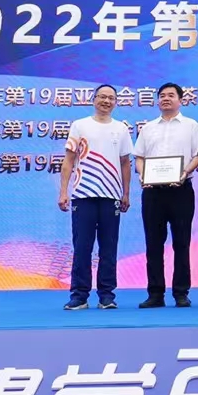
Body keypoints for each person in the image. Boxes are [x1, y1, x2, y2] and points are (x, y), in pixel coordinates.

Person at [58, 86, 132, 311]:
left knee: (109, 248)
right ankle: (79, 296)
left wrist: (126, 193)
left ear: (116, 102)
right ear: (94, 100)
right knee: (82, 247)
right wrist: (63, 191)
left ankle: (106, 296)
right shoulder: (80, 125)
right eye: (102, 97)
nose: (106, 101)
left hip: (111, 195)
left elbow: (125, 163)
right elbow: (69, 160)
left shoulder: (121, 128)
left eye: (111, 98)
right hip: (83, 195)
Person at [135, 82, 198, 308]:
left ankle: (181, 293)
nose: (165, 99)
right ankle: (155, 293)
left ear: (180, 100)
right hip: (152, 192)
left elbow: (197, 155)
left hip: (181, 190)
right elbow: (140, 157)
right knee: (153, 244)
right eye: (162, 95)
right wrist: (143, 175)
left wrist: (184, 173)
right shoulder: (148, 128)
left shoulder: (191, 125)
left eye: (171, 95)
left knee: (181, 243)